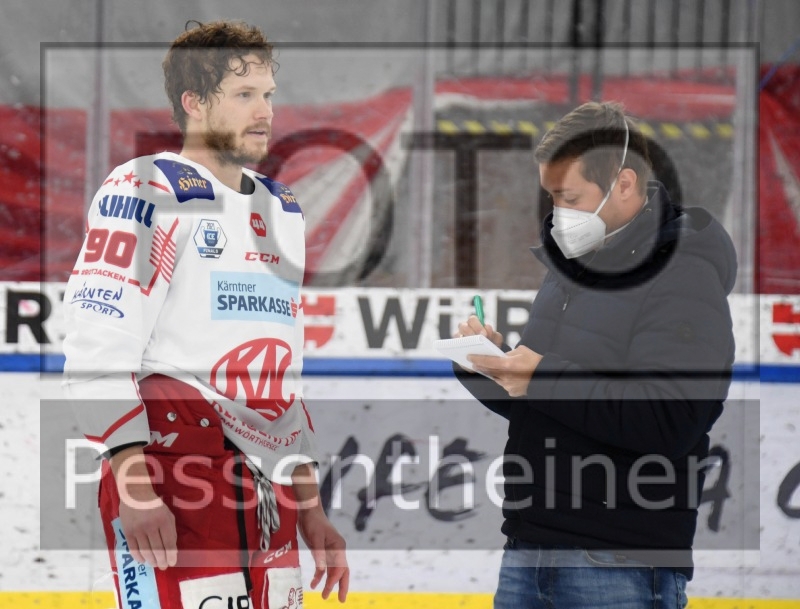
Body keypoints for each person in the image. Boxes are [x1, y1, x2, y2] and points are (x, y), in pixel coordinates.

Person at [62, 20, 348, 609]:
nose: (265, 111)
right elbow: (97, 342)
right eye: (244, 95)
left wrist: (311, 508)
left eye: (267, 94)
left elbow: (282, 373)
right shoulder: (148, 188)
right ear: (194, 103)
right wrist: (134, 488)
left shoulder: (281, 207)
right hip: (172, 473)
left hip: (268, 488)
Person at [454, 101, 736, 609]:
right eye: (552, 196)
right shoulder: (572, 269)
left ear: (623, 184)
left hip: (620, 564)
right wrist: (491, 366)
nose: (558, 212)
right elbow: (554, 405)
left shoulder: (683, 276)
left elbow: (670, 421)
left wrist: (540, 377)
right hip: (528, 550)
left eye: (569, 197)